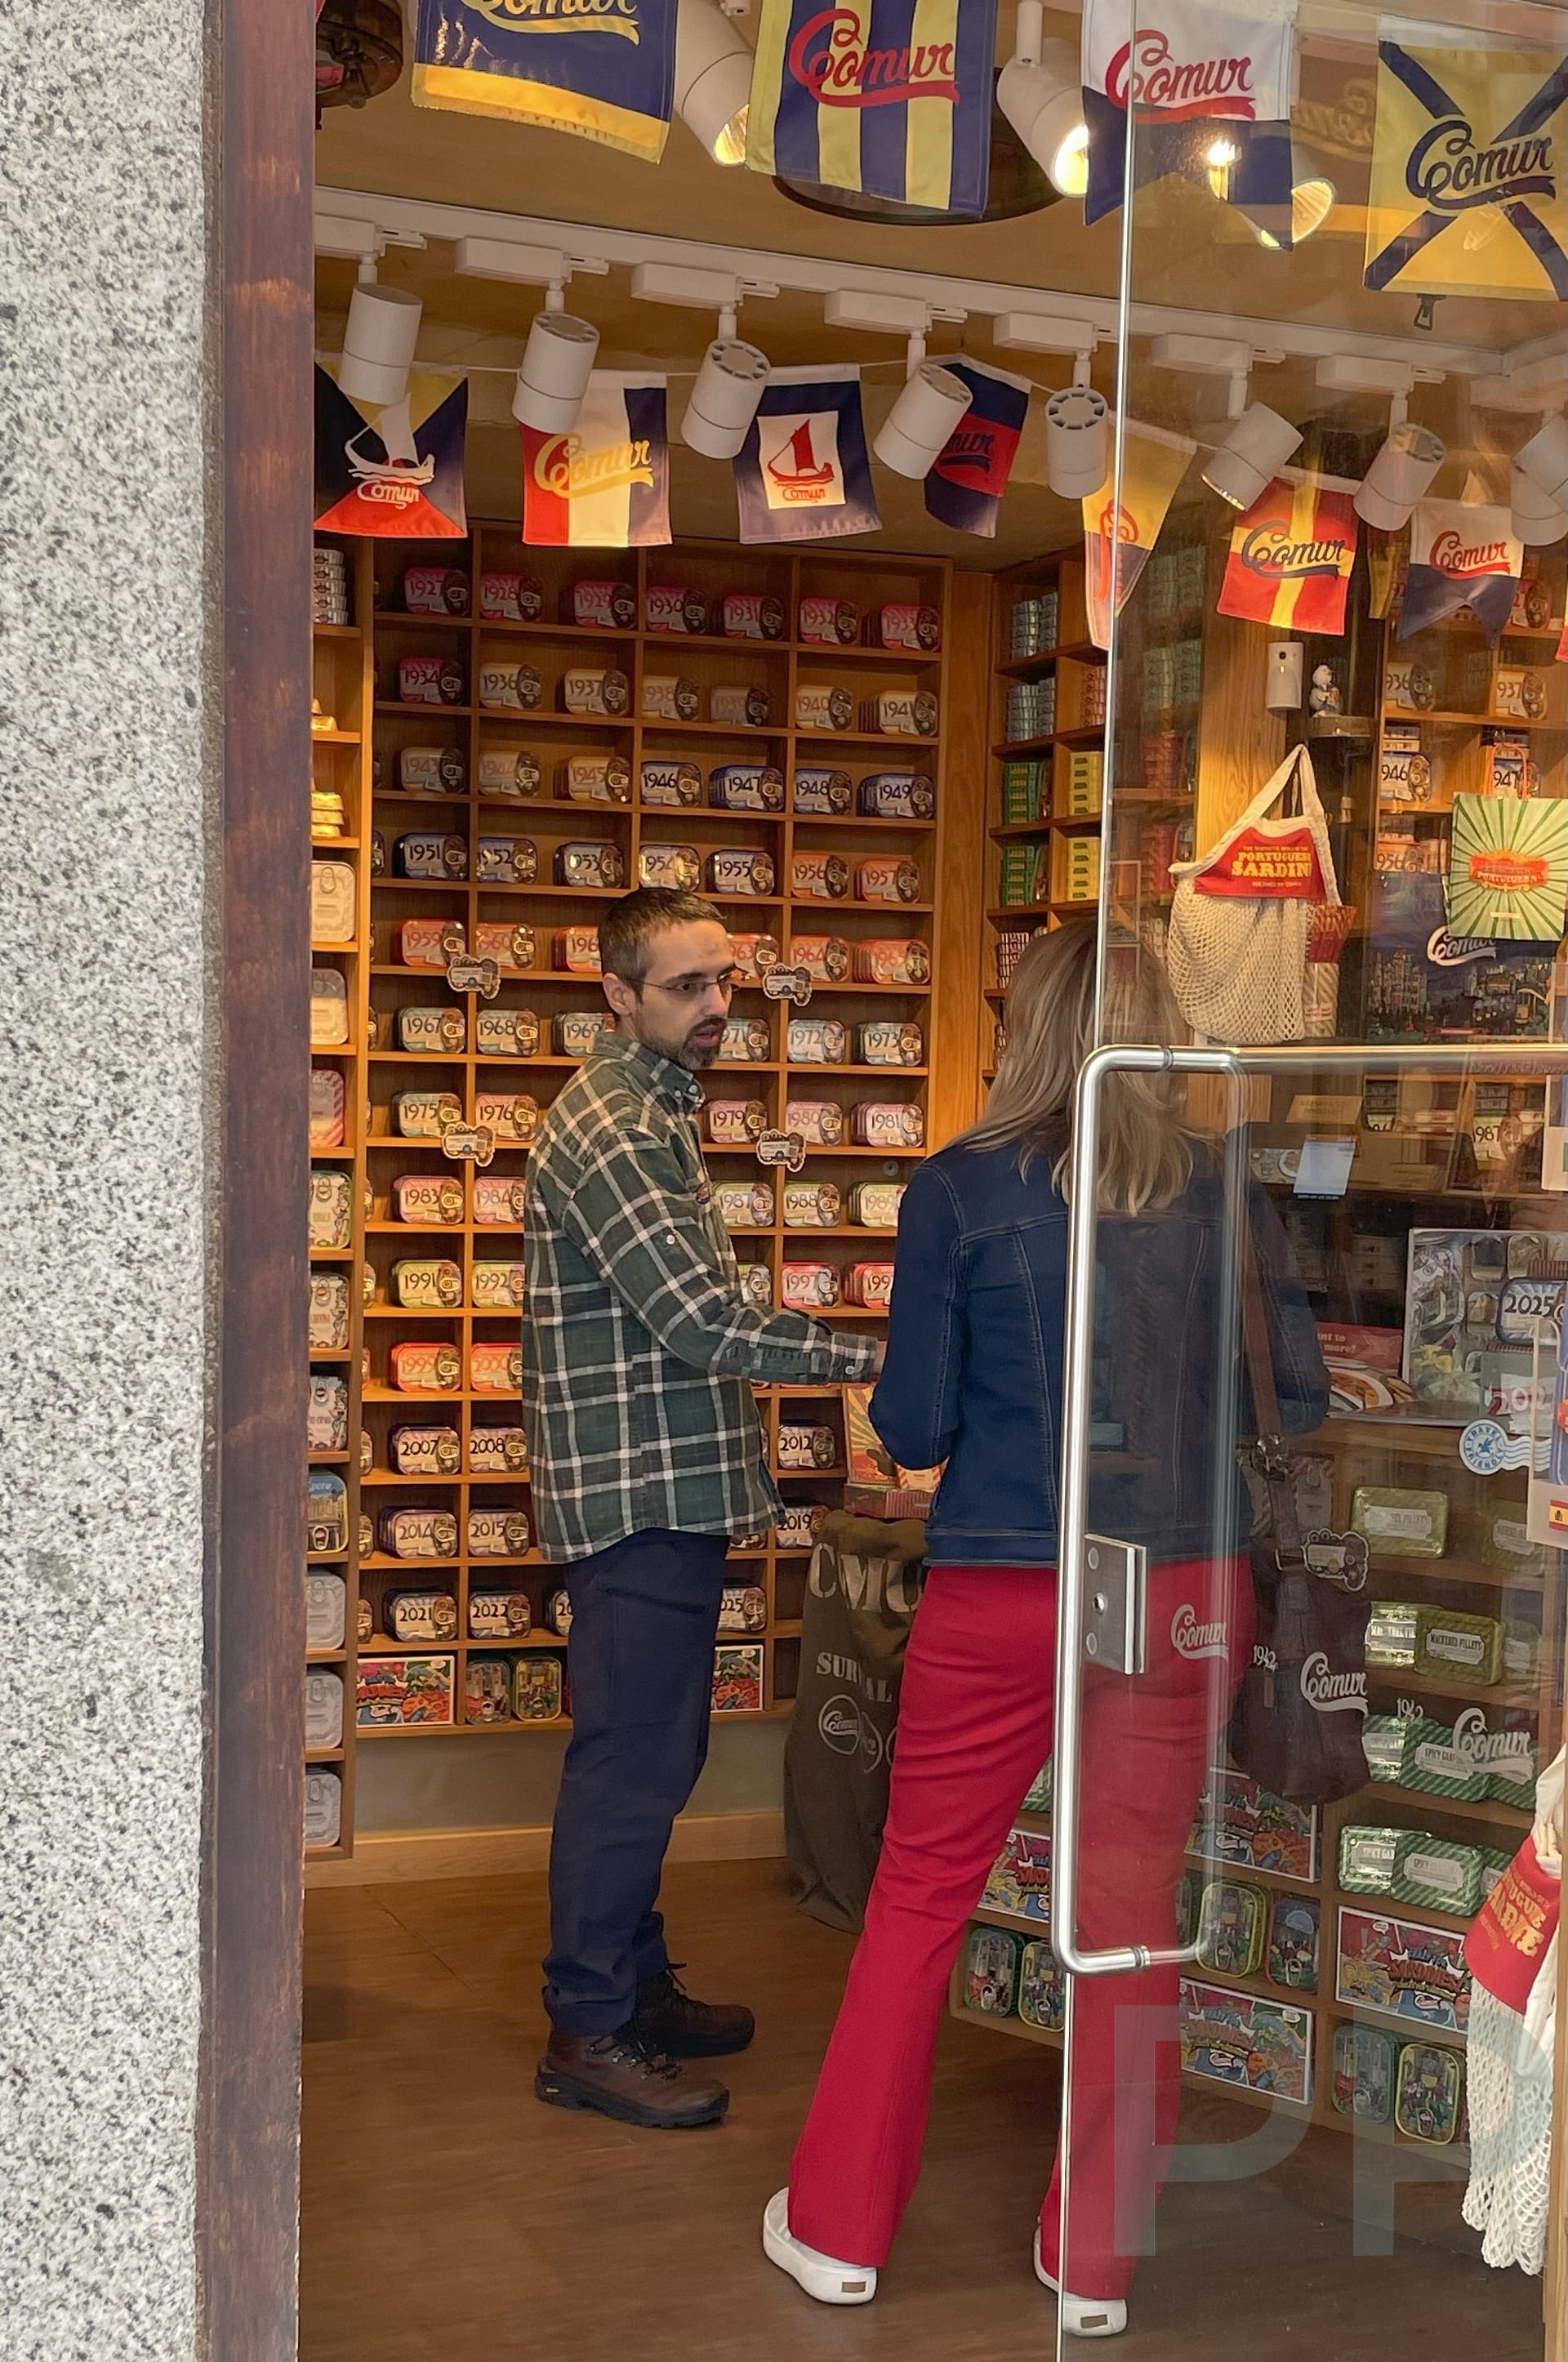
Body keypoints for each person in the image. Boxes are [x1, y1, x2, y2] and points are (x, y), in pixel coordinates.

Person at [763, 920, 1326, 2334]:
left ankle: (836, 2231)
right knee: (1133, 1919)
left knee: (919, 1896)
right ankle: (1095, 2264)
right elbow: (1299, 1399)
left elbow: (913, 1422)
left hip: (1010, 1578)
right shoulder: (1226, 1188)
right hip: (1187, 1583)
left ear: (1029, 1028)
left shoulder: (960, 1188)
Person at [523, 887, 882, 2132]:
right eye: (686, 987)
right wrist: (877, 1358)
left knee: (653, 1752)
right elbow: (698, 1321)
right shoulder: (619, 1129)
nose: (718, 1006)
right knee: (631, 1763)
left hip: (658, 1488)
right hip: (634, 1497)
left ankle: (630, 1984)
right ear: (616, 995)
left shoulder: (654, 1113)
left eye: (724, 981)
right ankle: (590, 2024)